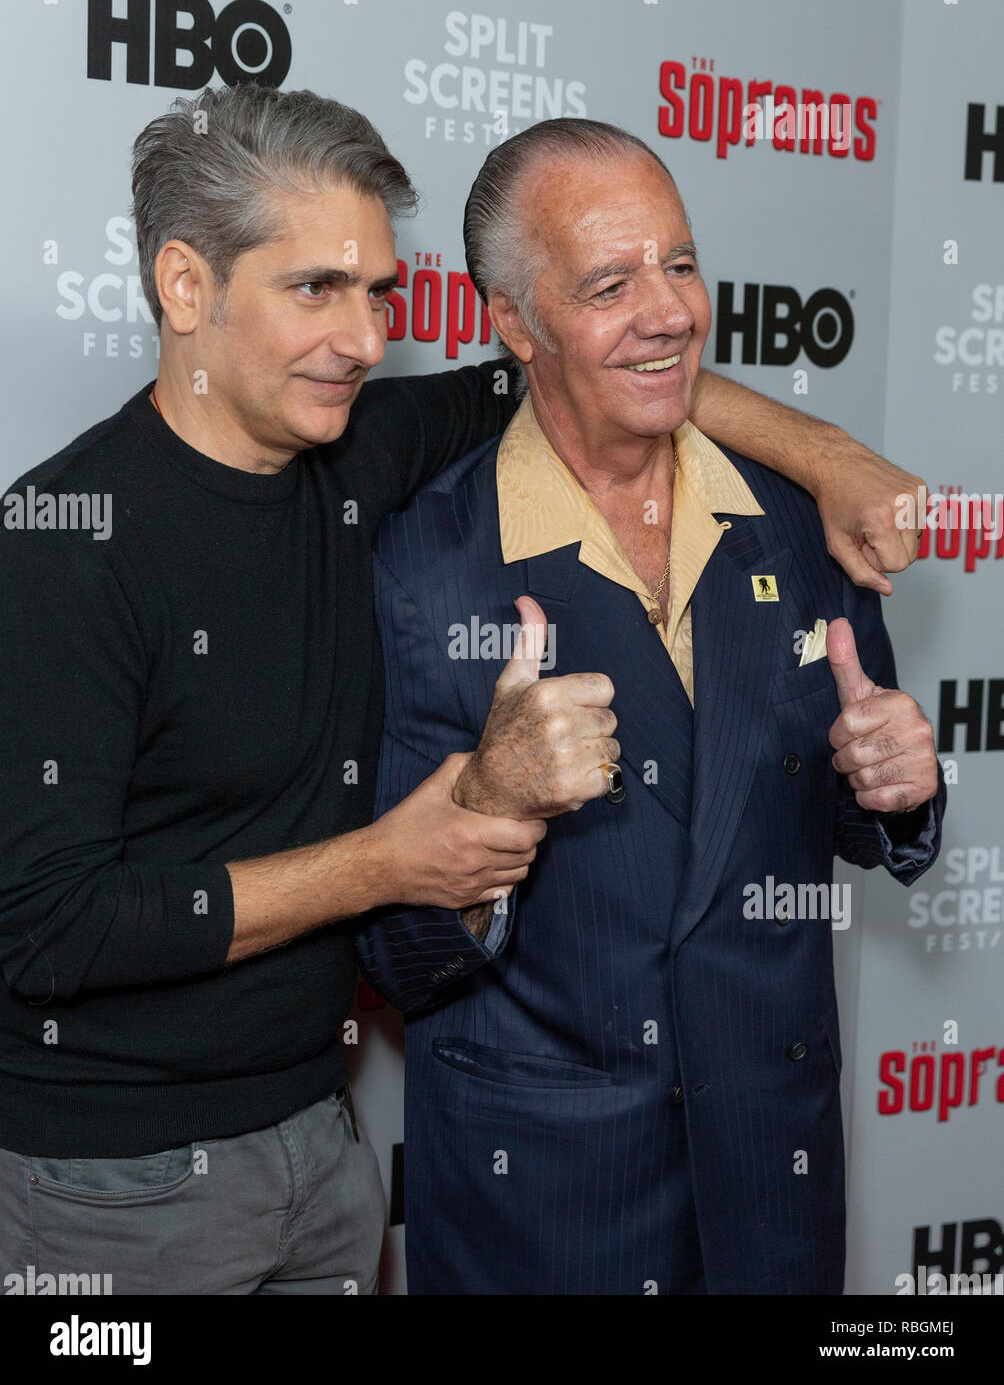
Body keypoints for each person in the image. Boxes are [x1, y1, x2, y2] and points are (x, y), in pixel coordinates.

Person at [0, 85, 926, 1296]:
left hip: (321, 1159)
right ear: (186, 288)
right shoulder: (64, 543)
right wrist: (395, 856)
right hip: (115, 1188)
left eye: (378, 292)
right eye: (314, 289)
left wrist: (829, 454)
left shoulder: (358, 445)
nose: (368, 339)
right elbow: (46, 925)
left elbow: (605, 362)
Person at [355, 118, 946, 1295]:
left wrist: (896, 786)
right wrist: (487, 799)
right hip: (549, 1204)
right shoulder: (425, 561)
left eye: (679, 264)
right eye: (610, 283)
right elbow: (396, 948)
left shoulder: (793, 516)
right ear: (514, 322)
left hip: (770, 1177)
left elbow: (825, 807)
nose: (668, 311)